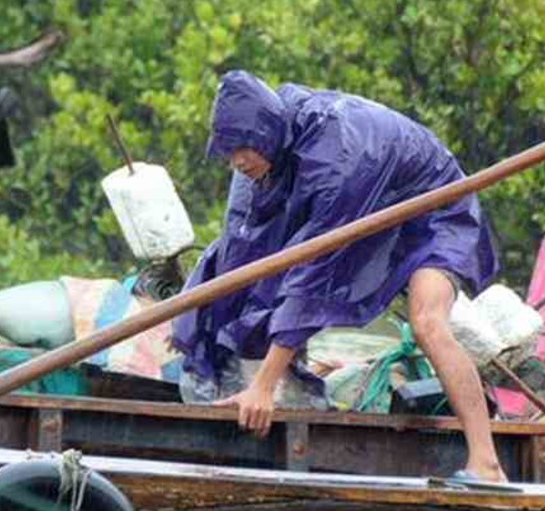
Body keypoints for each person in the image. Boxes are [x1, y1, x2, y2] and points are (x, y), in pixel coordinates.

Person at [172, 70, 505, 482]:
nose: (236, 160)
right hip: (376, 203)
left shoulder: (338, 159)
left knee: (427, 323)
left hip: (434, 210)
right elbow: (243, 247)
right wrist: (205, 328)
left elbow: (315, 274)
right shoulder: (271, 140)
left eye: (242, 149)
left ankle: (486, 462)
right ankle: (276, 371)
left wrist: (263, 386)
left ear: (264, 135)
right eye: (228, 152)